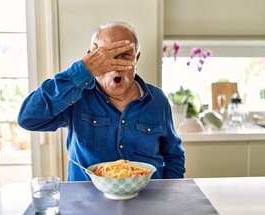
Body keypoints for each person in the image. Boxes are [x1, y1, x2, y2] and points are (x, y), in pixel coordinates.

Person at [18, 21, 185, 181]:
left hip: (146, 202)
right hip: (87, 205)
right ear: (92, 57)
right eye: (107, 57)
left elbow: (174, 156)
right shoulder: (77, 96)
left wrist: (166, 193)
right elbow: (28, 118)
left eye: (125, 56)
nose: (115, 65)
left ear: (136, 58)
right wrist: (82, 70)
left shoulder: (158, 100)